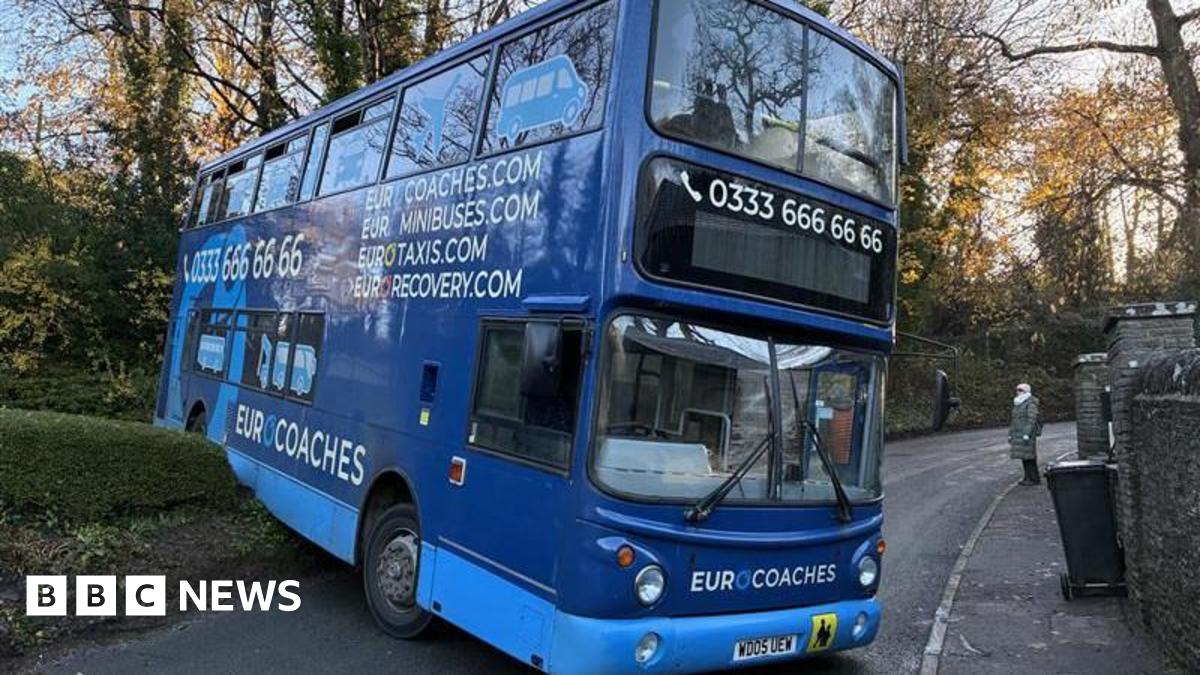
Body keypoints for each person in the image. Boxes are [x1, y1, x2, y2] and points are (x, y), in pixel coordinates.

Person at [1009, 383, 1042, 485]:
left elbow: (1031, 419)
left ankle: (1034, 479)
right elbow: (1014, 421)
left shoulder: (1030, 403)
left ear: (1026, 391)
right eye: (1017, 390)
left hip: (1026, 434)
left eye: (1020, 390)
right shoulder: (1018, 403)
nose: (1018, 392)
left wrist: (1027, 433)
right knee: (1024, 457)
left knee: (1029, 457)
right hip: (1019, 433)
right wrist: (1010, 433)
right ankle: (1027, 477)